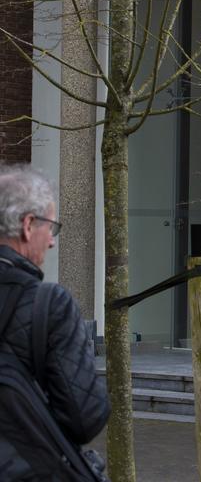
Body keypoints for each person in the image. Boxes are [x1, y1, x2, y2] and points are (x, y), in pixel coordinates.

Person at [0, 164, 110, 479]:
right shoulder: (48, 305)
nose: (51, 241)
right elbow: (85, 417)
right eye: (51, 227)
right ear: (28, 225)